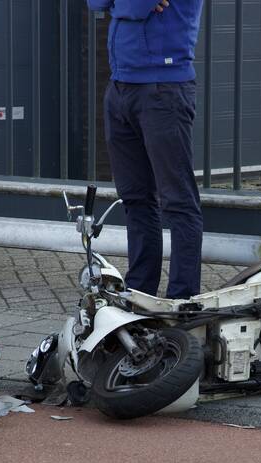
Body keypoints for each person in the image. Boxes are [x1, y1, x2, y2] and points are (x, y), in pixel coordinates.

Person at [86, 0, 205, 299]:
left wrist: (119, 6)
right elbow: (95, 3)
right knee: (135, 198)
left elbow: (137, 6)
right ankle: (139, 293)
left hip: (164, 88)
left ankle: (181, 299)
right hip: (120, 86)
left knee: (177, 200)